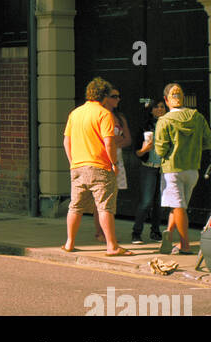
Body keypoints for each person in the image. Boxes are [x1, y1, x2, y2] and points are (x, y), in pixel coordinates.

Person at [62, 75, 127, 256]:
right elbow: (109, 143)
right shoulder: (104, 114)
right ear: (104, 96)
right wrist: (114, 163)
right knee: (105, 207)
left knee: (75, 206)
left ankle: (69, 243)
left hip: (78, 166)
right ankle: (112, 246)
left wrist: (72, 162)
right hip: (100, 166)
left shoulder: (75, 113)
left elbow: (66, 142)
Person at [154, 81, 211, 254]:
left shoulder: (164, 121)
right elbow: (207, 142)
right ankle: (168, 236)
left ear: (166, 100)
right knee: (179, 206)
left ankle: (184, 245)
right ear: (183, 98)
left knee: (178, 207)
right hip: (192, 169)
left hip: (172, 169)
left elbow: (160, 149)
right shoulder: (198, 117)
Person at [130, 99, 167, 245]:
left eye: (162, 106)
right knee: (146, 202)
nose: (159, 109)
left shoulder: (168, 124)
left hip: (164, 168)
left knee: (159, 202)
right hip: (148, 166)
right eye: (156, 107)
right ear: (151, 110)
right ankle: (136, 233)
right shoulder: (145, 126)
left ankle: (155, 231)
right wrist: (145, 149)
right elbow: (137, 153)